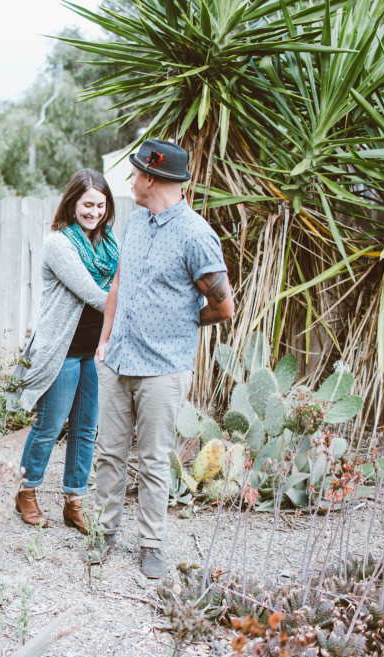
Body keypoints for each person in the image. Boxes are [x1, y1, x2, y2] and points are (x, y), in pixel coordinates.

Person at [89, 139, 234, 577]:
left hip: (163, 370)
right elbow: (118, 283)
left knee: (154, 460)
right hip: (117, 362)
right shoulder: (134, 225)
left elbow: (223, 306)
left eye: (135, 174)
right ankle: (104, 532)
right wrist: (105, 339)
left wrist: (181, 325)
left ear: (151, 178)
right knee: (109, 454)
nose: (131, 182)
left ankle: (151, 543)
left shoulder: (195, 235)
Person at [13, 168, 119, 535]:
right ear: (73, 202)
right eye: (87, 204)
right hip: (62, 351)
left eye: (100, 205)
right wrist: (134, 313)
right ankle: (26, 492)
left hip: (94, 351)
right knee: (49, 425)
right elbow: (93, 292)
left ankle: (74, 503)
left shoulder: (110, 245)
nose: (94, 212)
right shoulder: (58, 243)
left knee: (86, 428)